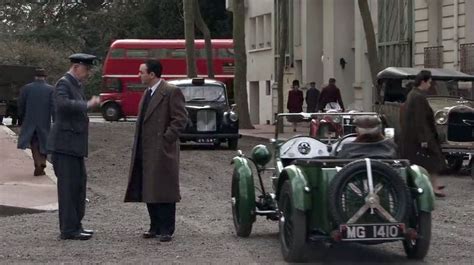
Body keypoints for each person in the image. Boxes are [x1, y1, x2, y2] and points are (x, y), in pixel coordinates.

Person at [124, 59, 188, 242]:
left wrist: (166, 138)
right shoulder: (147, 93)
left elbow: (180, 119)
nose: (139, 75)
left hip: (161, 149)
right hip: (145, 148)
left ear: (152, 74)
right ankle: (155, 226)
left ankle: (167, 228)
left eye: (141, 72)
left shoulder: (170, 91)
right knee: (149, 187)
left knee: (164, 189)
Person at [47, 53, 101, 240]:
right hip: (65, 145)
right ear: (76, 67)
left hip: (74, 145)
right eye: (86, 69)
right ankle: (68, 229)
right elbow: (62, 104)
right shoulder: (64, 83)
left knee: (78, 186)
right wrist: (86, 104)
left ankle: (76, 225)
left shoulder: (75, 84)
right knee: (68, 189)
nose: (87, 74)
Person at [400, 70, 446, 197]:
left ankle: (434, 184)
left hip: (416, 136)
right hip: (419, 136)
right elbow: (419, 119)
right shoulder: (418, 97)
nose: (430, 85)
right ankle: (433, 186)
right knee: (432, 159)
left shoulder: (414, 94)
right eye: (429, 82)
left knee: (429, 160)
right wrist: (423, 139)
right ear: (423, 81)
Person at [17, 68, 54, 176]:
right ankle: (42, 162)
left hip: (30, 121)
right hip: (44, 121)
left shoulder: (26, 88)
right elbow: (54, 106)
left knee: (34, 143)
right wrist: (55, 120)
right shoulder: (51, 89)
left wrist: (21, 118)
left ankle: (38, 163)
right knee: (44, 142)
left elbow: (21, 105)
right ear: (45, 77)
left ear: (35, 77)